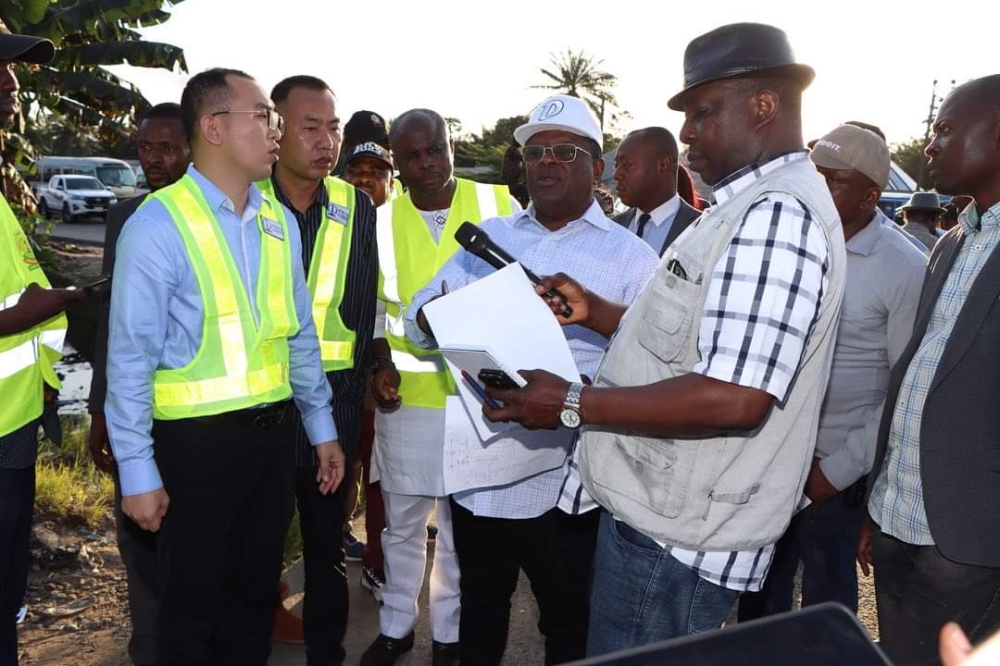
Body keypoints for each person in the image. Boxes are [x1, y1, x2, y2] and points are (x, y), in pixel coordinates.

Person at [482, 23, 845, 655]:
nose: (687, 132)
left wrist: (571, 402)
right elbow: (706, 342)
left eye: (703, 112)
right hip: (667, 515)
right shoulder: (748, 206)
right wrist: (597, 312)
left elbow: (735, 396)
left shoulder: (776, 215)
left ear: (763, 106)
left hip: (677, 536)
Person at [105, 68, 345, 665]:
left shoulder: (277, 221)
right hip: (193, 453)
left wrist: (322, 429)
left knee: (249, 607)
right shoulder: (159, 224)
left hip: (270, 446)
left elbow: (300, 338)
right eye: (264, 115)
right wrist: (137, 471)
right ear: (213, 127)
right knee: (189, 617)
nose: (276, 130)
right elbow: (129, 358)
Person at [408, 94, 659, 666]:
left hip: (568, 484)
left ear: (597, 167)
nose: (545, 162)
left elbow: (653, 362)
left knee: (569, 624)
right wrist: (439, 316)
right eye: (535, 151)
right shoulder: (489, 239)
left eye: (564, 151)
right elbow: (419, 317)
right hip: (482, 473)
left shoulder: (631, 258)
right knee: (480, 613)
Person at [738, 124, 926, 621]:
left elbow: (904, 389)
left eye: (834, 179)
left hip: (834, 478)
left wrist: (833, 473)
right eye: (814, 173)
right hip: (769, 456)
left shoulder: (903, 268)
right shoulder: (788, 242)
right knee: (759, 597)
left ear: (871, 195)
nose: (817, 186)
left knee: (824, 610)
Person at [362, 108, 519, 666]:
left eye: (435, 149)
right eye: (411, 156)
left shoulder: (500, 204)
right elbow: (378, 313)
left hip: (481, 403)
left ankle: (450, 635)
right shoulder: (379, 222)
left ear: (450, 145)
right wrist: (380, 364)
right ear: (396, 163)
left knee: (461, 534)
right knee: (402, 526)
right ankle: (397, 625)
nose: (426, 164)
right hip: (408, 404)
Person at [859, 74, 1000, 666]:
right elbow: (916, 375)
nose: (932, 141)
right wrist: (876, 500)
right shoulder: (951, 242)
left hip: (969, 539)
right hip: (897, 518)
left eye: (945, 128)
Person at [256, 75, 378, 665]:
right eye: (311, 127)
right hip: (261, 412)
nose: (327, 141)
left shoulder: (358, 206)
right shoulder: (245, 205)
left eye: (333, 127)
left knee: (328, 552)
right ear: (276, 131)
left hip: (336, 410)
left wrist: (362, 387)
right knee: (252, 553)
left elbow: (364, 305)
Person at [87, 102, 190, 666]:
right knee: (141, 544)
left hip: (199, 419)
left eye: (167, 147)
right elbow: (112, 324)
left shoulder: (216, 215)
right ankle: (147, 649)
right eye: (146, 147)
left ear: (194, 147)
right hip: (135, 413)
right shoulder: (124, 219)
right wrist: (100, 407)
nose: (153, 158)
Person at [0, 23, 89, 665]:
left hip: (15, 420)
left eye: (11, 70)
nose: (11, 84)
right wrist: (23, 313)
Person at [340, 121, 395, 600]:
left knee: (379, 478)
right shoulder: (326, 226)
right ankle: (335, 545)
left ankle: (377, 561)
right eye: (356, 170)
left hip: (382, 379)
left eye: (376, 172)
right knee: (338, 475)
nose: (365, 179)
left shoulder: (400, 230)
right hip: (333, 379)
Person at [612, 127, 700, 256]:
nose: (616, 174)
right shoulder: (613, 228)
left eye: (627, 165)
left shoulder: (700, 229)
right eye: (616, 165)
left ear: (664, 165)